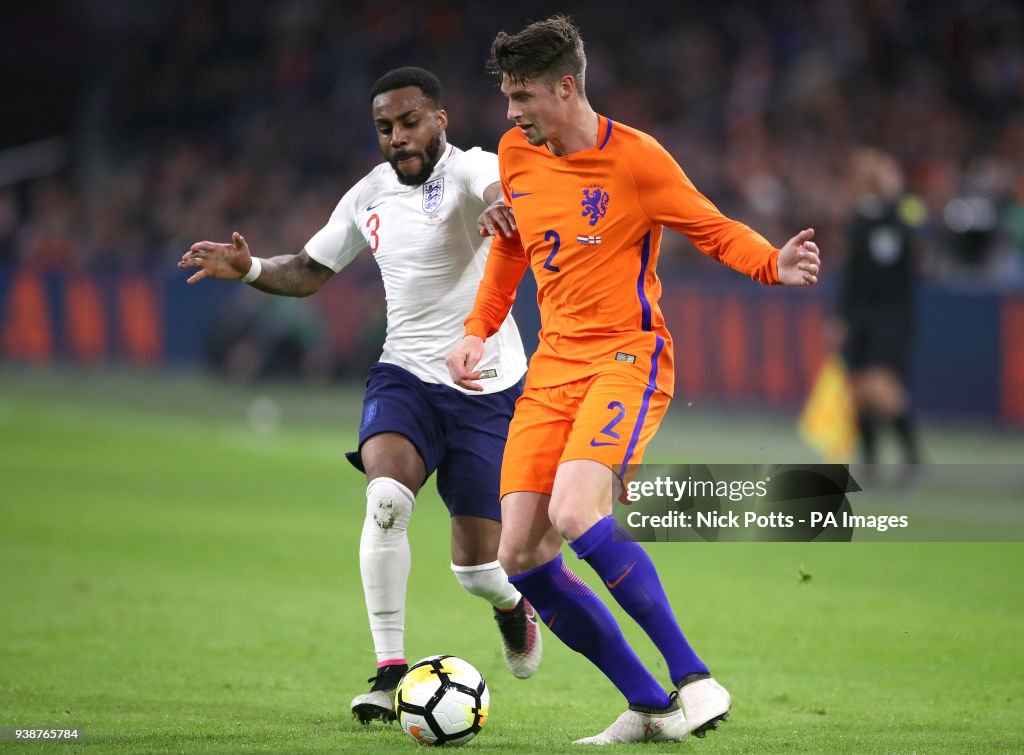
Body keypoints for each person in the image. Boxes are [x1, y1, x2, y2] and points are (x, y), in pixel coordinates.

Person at [446, 18, 821, 745]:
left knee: (580, 509)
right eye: (507, 96)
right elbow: (513, 248)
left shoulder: (638, 159)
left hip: (627, 356)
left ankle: (694, 676)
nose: (510, 112)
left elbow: (711, 228)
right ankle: (649, 705)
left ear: (566, 86)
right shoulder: (518, 153)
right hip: (552, 365)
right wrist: (477, 329)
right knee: (519, 554)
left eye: (521, 95)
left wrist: (773, 262)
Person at [178, 66, 541, 725]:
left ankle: (512, 605)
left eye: (408, 122)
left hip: (486, 388)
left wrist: (502, 204)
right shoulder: (367, 195)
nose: (396, 137)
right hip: (404, 377)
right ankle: (389, 671)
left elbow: (502, 188)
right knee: (385, 499)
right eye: (384, 127)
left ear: (440, 119)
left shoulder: (470, 170)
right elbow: (311, 270)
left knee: (479, 569)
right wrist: (250, 267)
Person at [833, 148, 922, 479]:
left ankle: (913, 458)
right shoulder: (858, 220)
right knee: (858, 391)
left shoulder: (902, 214)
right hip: (860, 314)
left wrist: (896, 197)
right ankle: (870, 463)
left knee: (880, 386)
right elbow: (851, 274)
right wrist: (840, 317)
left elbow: (916, 229)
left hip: (890, 314)